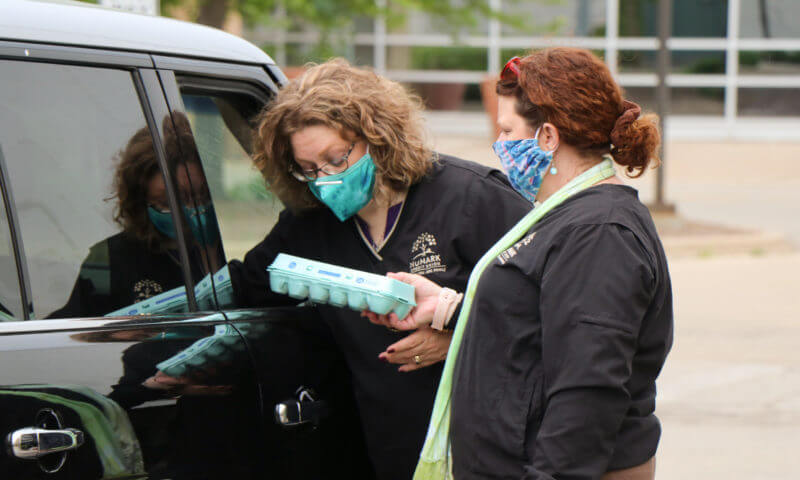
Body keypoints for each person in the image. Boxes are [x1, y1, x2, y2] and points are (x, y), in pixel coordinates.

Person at [369, 47, 674, 480]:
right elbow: (539, 326)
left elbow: (587, 392)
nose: (500, 146)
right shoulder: (567, 216)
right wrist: (446, 309)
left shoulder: (599, 232)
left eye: (508, 130)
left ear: (548, 137)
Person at [227, 59, 530, 480]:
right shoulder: (308, 227)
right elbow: (242, 285)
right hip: (392, 452)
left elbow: (547, 311)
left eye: (337, 159)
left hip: (490, 452)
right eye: (310, 170)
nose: (326, 179)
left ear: (377, 136)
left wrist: (457, 334)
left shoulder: (475, 198)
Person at [51, 114, 223, 318]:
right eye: (167, 203)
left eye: (197, 196)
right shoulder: (107, 259)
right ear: (140, 200)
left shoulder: (226, 250)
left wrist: (211, 255)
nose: (187, 211)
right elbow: (70, 332)